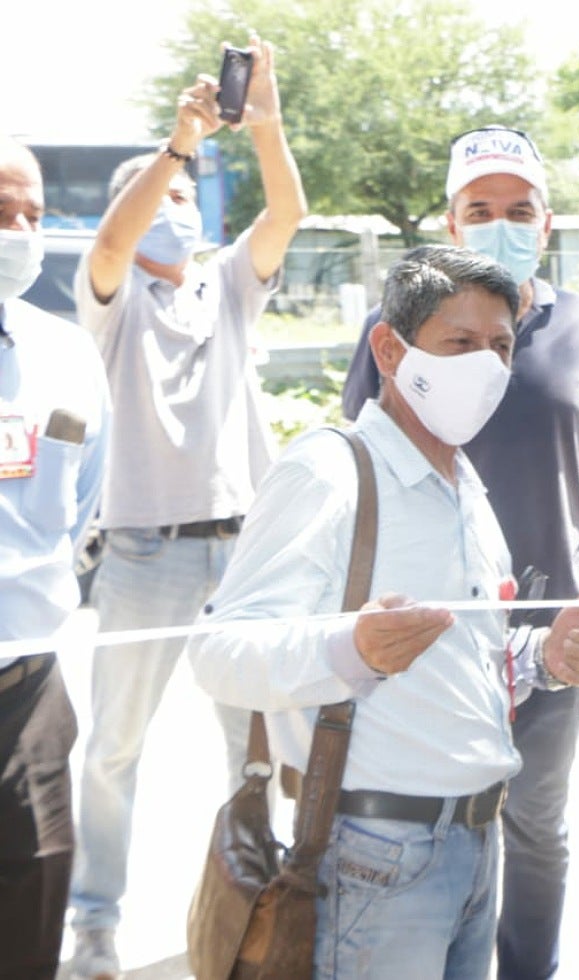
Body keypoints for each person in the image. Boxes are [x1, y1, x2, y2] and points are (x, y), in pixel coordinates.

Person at [188, 245, 579, 978]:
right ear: (389, 348)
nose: (487, 365)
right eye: (461, 343)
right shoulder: (329, 472)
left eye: (501, 346)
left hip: (475, 842)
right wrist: (352, 649)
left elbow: (466, 660)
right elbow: (219, 654)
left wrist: (544, 656)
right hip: (378, 856)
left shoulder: (462, 483)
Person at [339, 124, 579, 979]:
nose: (501, 224)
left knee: (538, 824)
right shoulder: (392, 328)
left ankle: (528, 968)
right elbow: (357, 465)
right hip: (426, 633)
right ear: (450, 220)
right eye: (481, 210)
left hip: (552, 631)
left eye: (520, 209)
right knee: (429, 822)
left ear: (547, 223)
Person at [68, 37, 306, 980]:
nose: (177, 206)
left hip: (243, 552)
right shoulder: (117, 304)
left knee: (252, 751)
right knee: (114, 749)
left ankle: (257, 906)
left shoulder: (229, 288)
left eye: (185, 194)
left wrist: (266, 123)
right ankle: (94, 922)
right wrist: (176, 144)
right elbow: (111, 244)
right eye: (163, 192)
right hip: (141, 553)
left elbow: (286, 211)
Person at [0, 138, 110, 980]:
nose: (21, 232)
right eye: (3, 212)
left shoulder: (66, 353)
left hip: (27, 688)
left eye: (34, 214)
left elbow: (78, 509)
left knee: (31, 909)